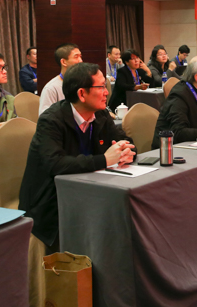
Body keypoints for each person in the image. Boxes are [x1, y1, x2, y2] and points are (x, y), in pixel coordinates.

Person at [19, 63, 135, 248]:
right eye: (101, 87)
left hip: (91, 191)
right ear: (82, 94)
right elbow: (56, 164)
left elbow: (125, 141)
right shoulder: (51, 120)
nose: (107, 92)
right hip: (52, 201)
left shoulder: (101, 114)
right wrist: (105, 160)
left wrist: (126, 151)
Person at [39, 43, 83, 115]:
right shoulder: (51, 88)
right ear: (63, 62)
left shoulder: (84, 82)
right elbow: (45, 118)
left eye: (80, 56)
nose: (80, 60)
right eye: (76, 57)